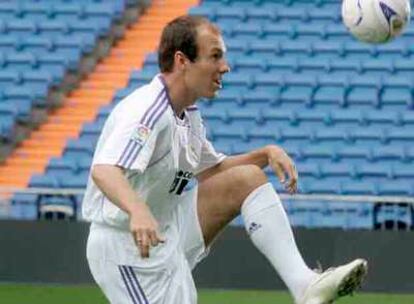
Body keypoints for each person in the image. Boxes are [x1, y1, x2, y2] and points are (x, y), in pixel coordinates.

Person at [83, 15, 368, 304]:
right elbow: (104, 170)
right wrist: (137, 211)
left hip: (167, 227)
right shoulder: (147, 110)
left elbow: (212, 171)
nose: (225, 67)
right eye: (215, 56)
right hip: (126, 246)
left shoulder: (188, 115)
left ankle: (305, 285)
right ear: (182, 61)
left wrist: (265, 154)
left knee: (246, 179)